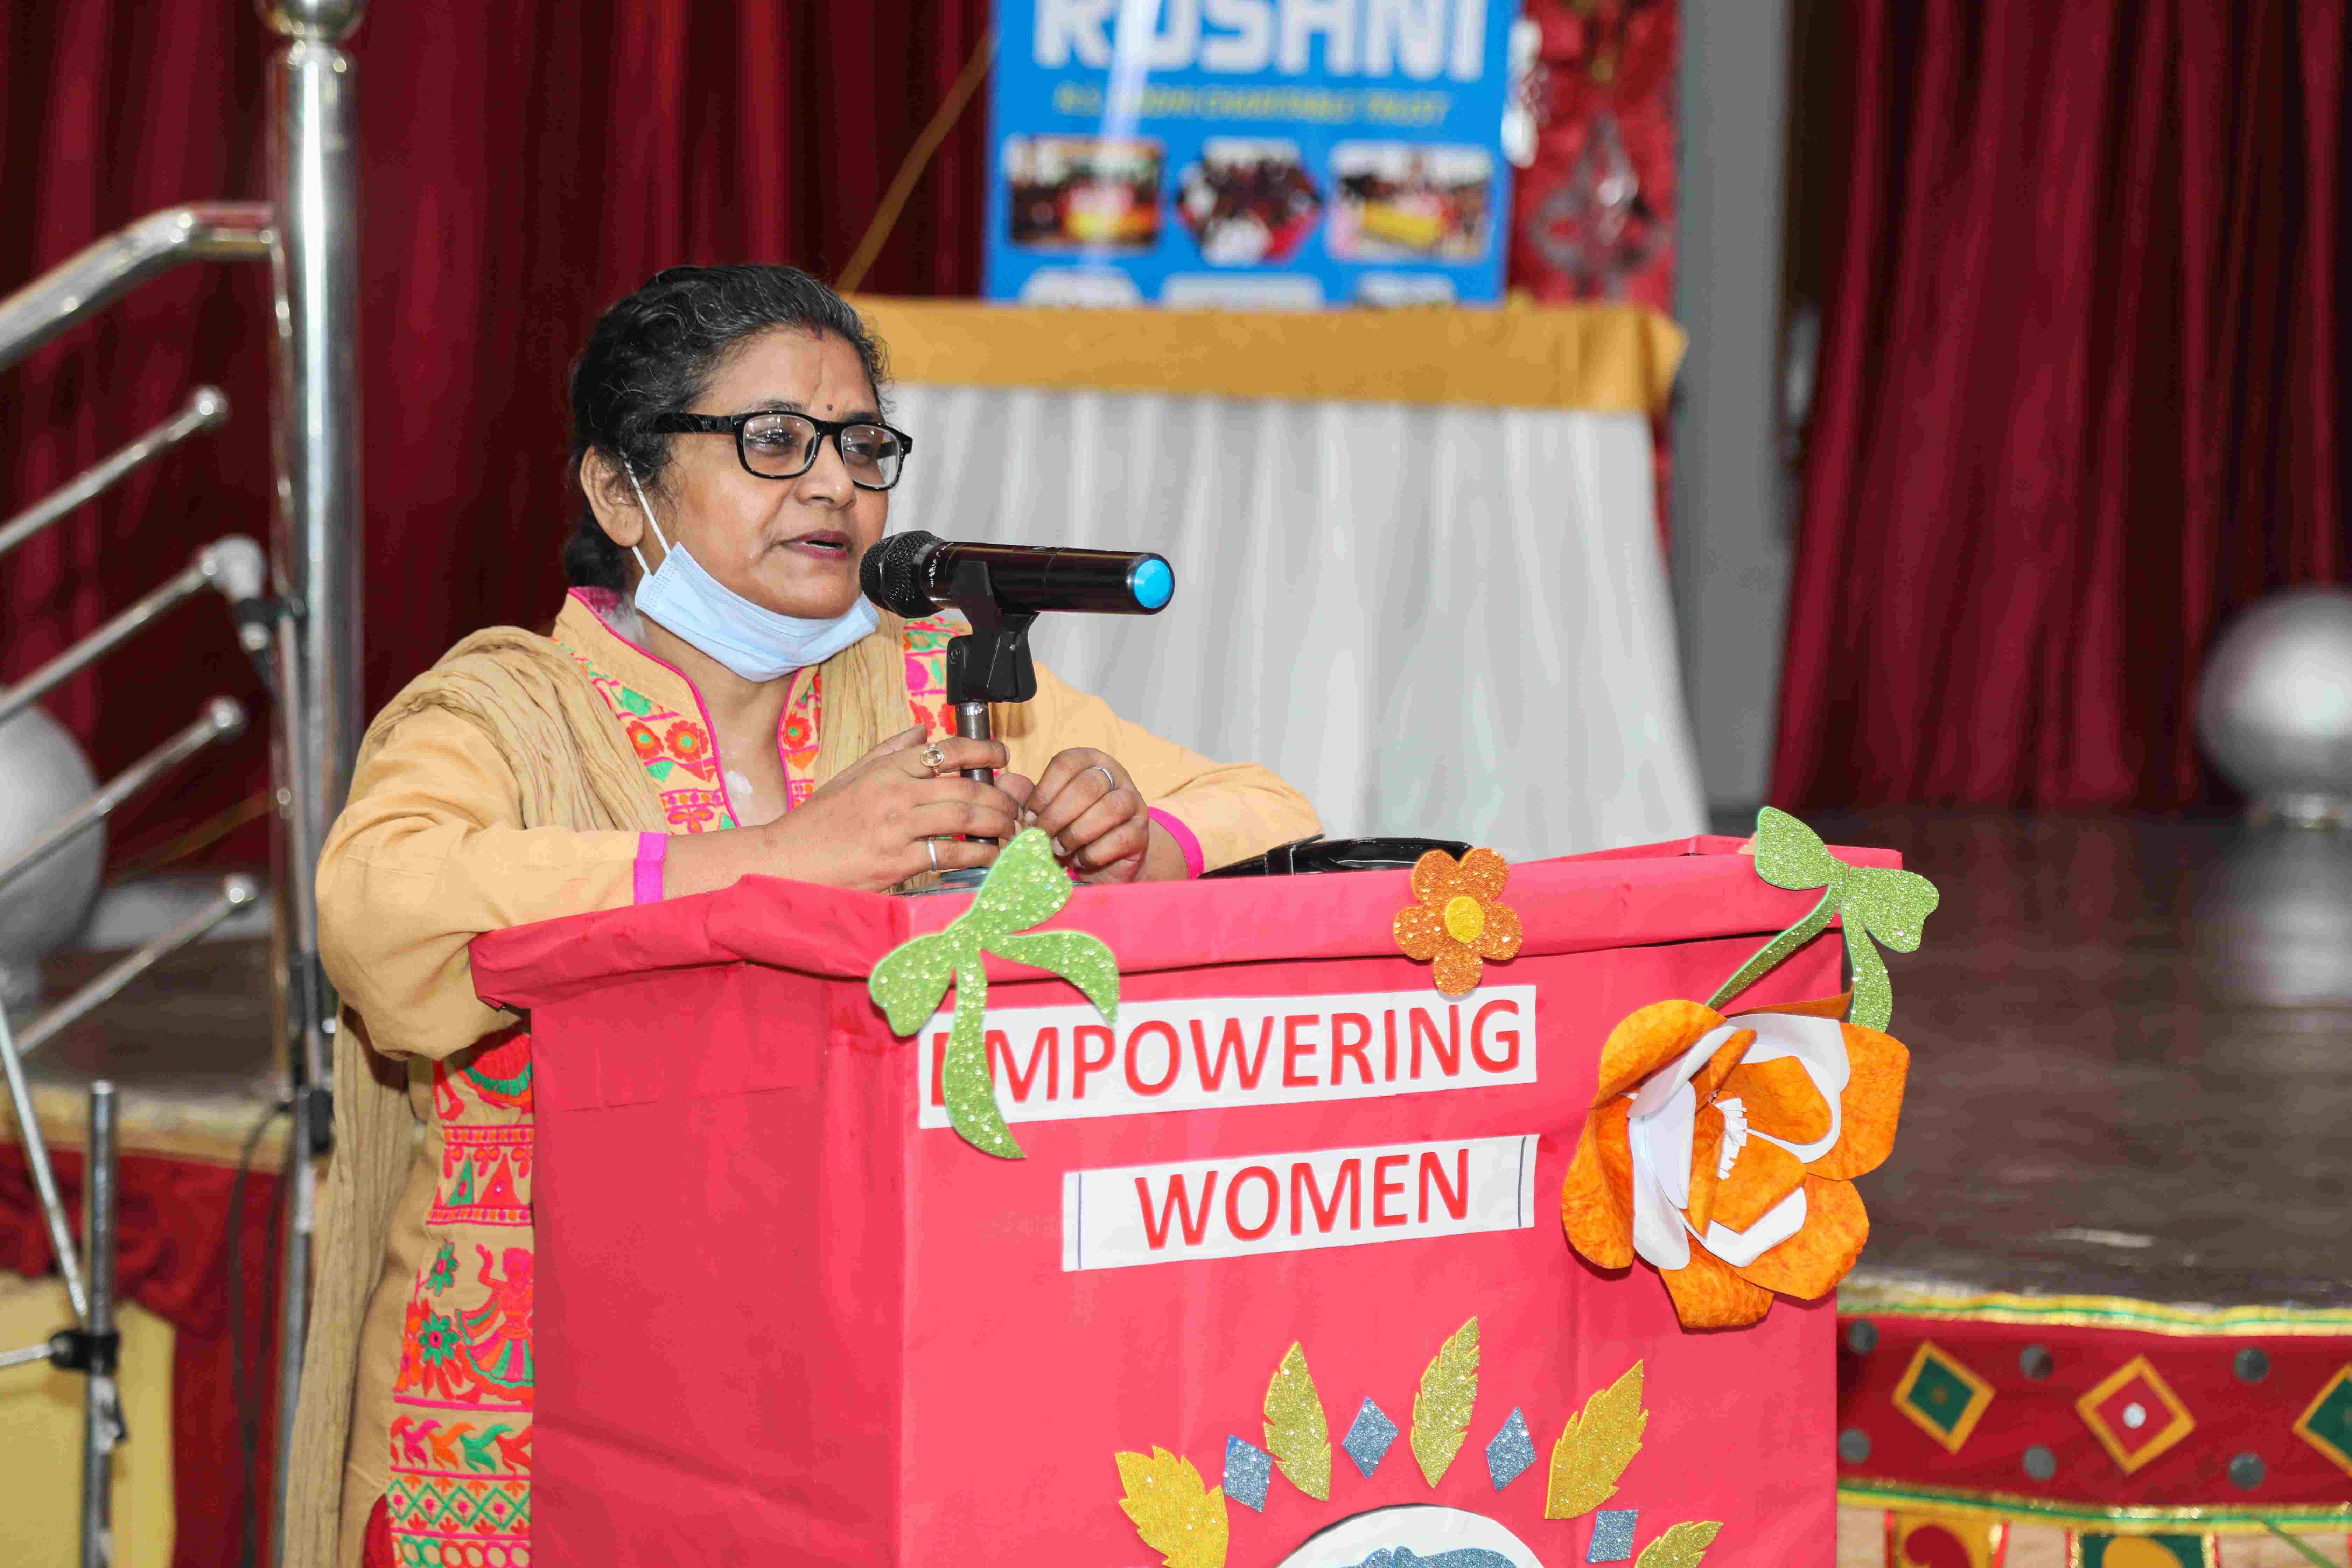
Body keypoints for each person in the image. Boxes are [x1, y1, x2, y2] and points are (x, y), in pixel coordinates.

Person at [283, 264, 1320, 1568]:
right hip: (533, 1434)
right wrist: (775, 861)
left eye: (864, 446)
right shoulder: (507, 714)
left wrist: (1140, 844)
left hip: (843, 1416)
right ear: (621, 490)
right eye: (774, 441)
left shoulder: (946, 691)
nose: (835, 484)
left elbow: (1273, 811)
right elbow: (380, 907)